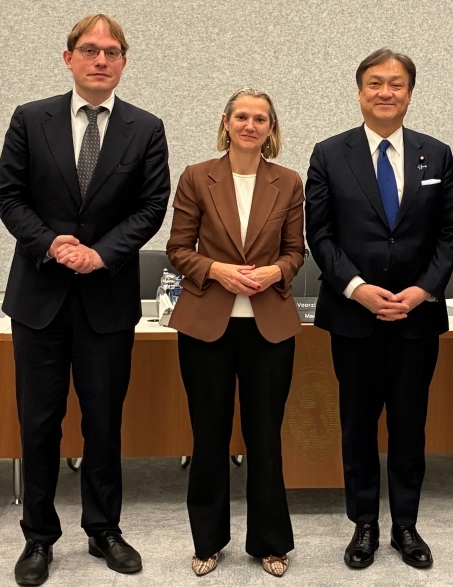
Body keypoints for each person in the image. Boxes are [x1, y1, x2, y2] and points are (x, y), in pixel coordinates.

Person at [0, 14, 170, 586]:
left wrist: (101, 254)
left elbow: (151, 206)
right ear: (67, 57)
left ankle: (104, 530)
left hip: (107, 299)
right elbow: (9, 194)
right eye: (89, 50)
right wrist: (50, 243)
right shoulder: (30, 118)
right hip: (39, 297)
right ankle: (39, 539)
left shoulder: (146, 128)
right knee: (39, 423)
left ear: (123, 62)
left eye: (112, 51)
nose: (100, 59)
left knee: (104, 420)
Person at [305, 49, 453, 571]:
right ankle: (364, 524)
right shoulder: (329, 154)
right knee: (358, 423)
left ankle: (406, 525)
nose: (385, 93)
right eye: (375, 83)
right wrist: (356, 287)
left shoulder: (436, 155)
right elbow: (320, 235)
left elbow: (449, 232)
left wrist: (423, 290)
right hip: (354, 316)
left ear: (410, 94)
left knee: (409, 425)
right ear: (359, 92)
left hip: (417, 316)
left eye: (396, 84)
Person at [166, 88, 305, 578]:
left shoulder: (288, 182)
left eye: (260, 118)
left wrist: (274, 273)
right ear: (226, 122)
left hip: (269, 325)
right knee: (209, 436)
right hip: (207, 325)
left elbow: (296, 252)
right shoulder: (195, 177)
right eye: (241, 116)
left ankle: (270, 541)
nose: (250, 125)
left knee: (265, 436)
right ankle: (208, 540)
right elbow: (178, 249)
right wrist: (218, 271)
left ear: (271, 128)